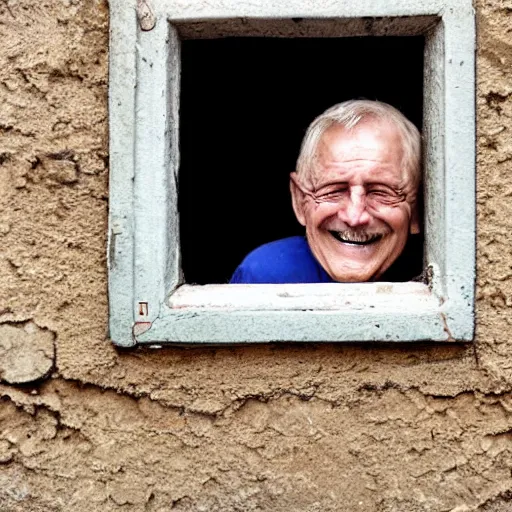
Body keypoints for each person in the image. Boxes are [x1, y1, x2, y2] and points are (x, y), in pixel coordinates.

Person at [230, 100, 421, 284]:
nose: (355, 218)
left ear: (417, 206)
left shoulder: (441, 276)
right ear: (299, 200)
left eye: (380, 192)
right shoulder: (268, 277)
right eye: (334, 191)